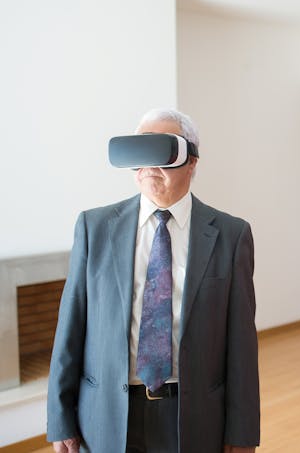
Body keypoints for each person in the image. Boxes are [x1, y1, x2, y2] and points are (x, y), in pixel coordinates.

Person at [47, 109, 260, 453]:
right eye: (140, 150)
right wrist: (60, 418)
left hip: (192, 416)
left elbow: (241, 345)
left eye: (161, 151)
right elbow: (70, 330)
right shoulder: (94, 228)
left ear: (191, 162)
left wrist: (243, 432)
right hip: (106, 414)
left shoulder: (231, 236)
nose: (148, 164)